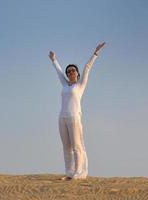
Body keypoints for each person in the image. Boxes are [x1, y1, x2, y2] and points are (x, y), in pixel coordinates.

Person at [48, 42, 105, 180]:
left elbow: (87, 67)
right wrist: (54, 60)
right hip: (62, 117)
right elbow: (59, 72)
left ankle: (79, 172)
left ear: (77, 73)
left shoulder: (80, 85)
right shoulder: (65, 84)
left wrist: (95, 53)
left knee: (76, 146)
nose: (70, 72)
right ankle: (69, 172)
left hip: (74, 117)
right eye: (68, 71)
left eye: (73, 70)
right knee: (66, 147)